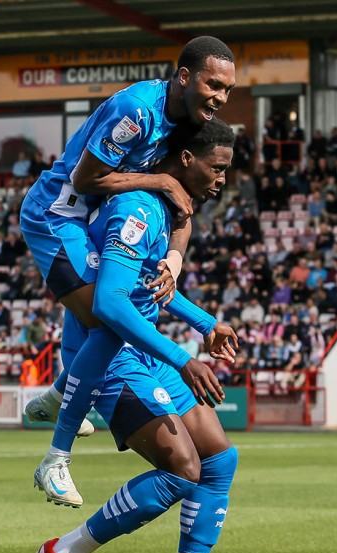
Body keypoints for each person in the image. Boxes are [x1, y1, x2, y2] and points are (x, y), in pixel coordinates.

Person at [36, 118, 247, 553]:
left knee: (219, 459)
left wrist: (205, 323)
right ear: (187, 159)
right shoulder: (136, 208)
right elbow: (110, 303)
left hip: (145, 348)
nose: (222, 179)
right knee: (182, 468)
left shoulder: (166, 207)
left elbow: (148, 291)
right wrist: (185, 356)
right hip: (110, 356)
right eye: (217, 168)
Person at [21, 36, 236, 507]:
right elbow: (84, 179)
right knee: (107, 316)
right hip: (59, 214)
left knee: (122, 303)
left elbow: (185, 205)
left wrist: (176, 262)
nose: (220, 97)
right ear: (184, 77)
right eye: (213, 84)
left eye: (227, 90)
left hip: (99, 215)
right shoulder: (136, 110)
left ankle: (61, 394)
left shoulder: (190, 124)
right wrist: (159, 180)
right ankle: (55, 456)